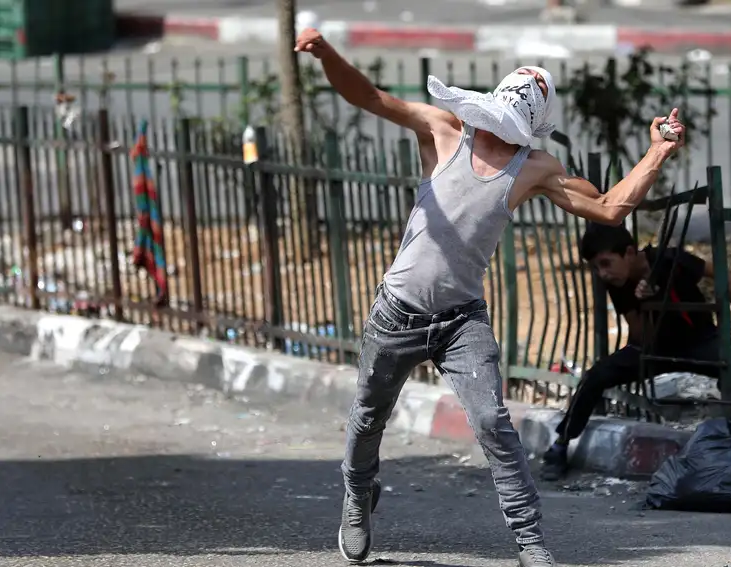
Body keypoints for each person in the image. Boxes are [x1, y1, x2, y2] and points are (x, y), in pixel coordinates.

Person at [294, 27, 686, 567]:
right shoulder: (443, 131)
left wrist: (657, 152)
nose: (504, 136)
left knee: (493, 424)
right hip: (397, 312)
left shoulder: (535, 168)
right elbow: (368, 96)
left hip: (461, 321)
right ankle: (358, 497)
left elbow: (610, 210)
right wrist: (325, 52)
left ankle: (530, 543)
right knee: (367, 418)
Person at [540, 223, 731, 481]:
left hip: (699, 340)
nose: (602, 273)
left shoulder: (670, 259)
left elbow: (724, 276)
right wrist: (646, 301)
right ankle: (560, 445)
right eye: (595, 267)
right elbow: (640, 336)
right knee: (595, 377)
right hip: (654, 348)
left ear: (628, 252)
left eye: (605, 263)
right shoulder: (618, 282)